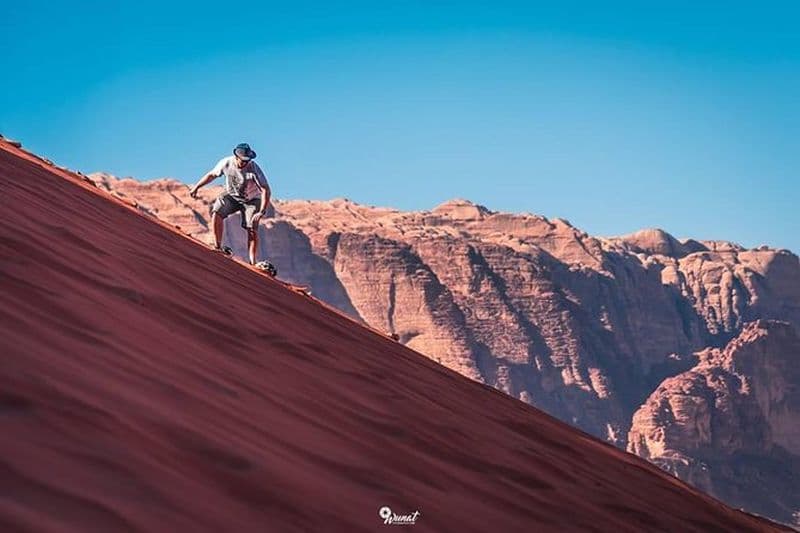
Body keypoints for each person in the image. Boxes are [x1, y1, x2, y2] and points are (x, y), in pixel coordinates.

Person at [190, 143, 271, 265]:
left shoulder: (253, 168)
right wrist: (196, 187)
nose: (245, 163)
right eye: (243, 160)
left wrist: (262, 211)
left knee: (252, 227)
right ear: (236, 157)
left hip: (252, 200)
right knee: (217, 211)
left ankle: (252, 261)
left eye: (247, 160)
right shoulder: (226, 163)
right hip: (232, 196)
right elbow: (212, 175)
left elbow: (265, 189)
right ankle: (217, 246)